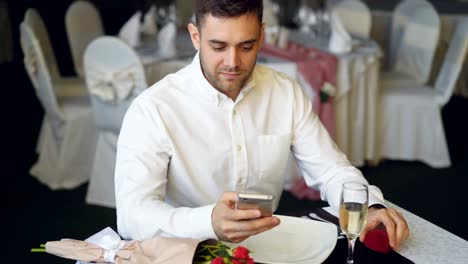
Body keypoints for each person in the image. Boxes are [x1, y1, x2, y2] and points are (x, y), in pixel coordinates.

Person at [115, 0, 409, 249]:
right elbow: (131, 215)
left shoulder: (285, 92)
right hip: (186, 252)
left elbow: (331, 170)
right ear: (195, 36)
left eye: (246, 46)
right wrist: (207, 222)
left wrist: (368, 204)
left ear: (262, 35)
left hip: (268, 249)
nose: (232, 62)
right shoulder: (153, 108)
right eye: (218, 46)